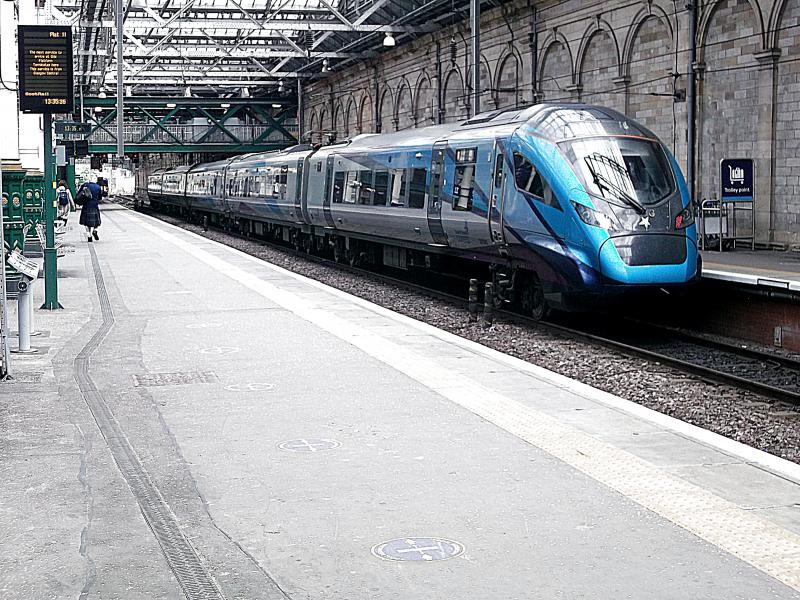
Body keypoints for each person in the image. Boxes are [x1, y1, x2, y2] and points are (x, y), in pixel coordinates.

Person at [77, 178, 102, 242]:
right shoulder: (98, 187)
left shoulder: (85, 185)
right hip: (94, 206)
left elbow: (79, 195)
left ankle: (89, 236)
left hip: (86, 206)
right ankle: (95, 230)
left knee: (86, 223)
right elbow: (100, 198)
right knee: (97, 222)